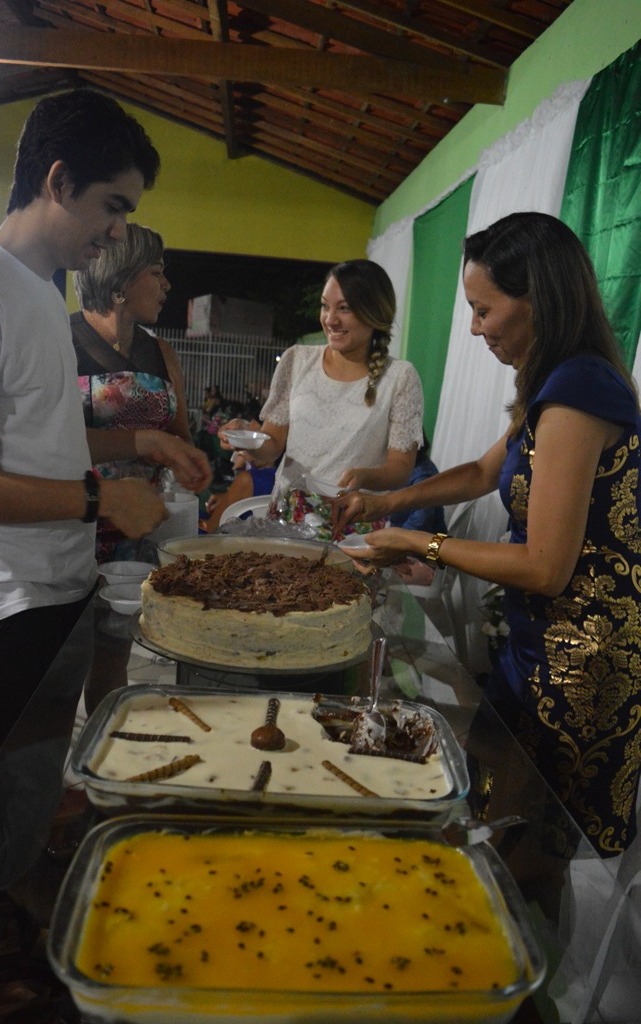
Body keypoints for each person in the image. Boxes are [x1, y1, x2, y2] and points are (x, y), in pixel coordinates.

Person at [333, 212, 641, 857]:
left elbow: (545, 568)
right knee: (502, 807)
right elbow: (478, 472)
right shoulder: (552, 382)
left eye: (483, 309)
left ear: (540, 300)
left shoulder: (580, 389)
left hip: (580, 658)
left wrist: (418, 543)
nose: (475, 328)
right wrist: (387, 501)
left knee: (533, 837)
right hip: (541, 639)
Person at [0, 88, 172, 898]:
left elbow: (42, 440)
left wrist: (134, 443)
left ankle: (18, 918)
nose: (118, 231)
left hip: (58, 582)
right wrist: (99, 503)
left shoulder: (40, 288)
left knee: (34, 782)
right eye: (112, 206)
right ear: (56, 181)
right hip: (3, 600)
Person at [72, 223, 212, 710]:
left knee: (112, 660)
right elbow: (40, 444)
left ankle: (97, 757)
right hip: (70, 526)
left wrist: (192, 462)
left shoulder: (161, 352)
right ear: (119, 280)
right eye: (156, 272)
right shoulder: (60, 342)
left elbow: (180, 437)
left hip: (136, 534)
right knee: (59, 670)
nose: (166, 284)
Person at [219, 259, 423, 539]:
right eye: (326, 306)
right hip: (288, 521)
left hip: (355, 524)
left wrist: (365, 477)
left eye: (344, 308)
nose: (330, 319)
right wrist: (247, 437)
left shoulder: (400, 377)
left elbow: (400, 468)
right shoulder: (296, 360)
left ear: (374, 311)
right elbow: (272, 445)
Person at [390, 436, 447, 586]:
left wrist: (393, 548)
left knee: (372, 569)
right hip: (411, 542)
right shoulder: (408, 470)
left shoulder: (422, 475)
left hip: (428, 553)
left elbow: (420, 522)